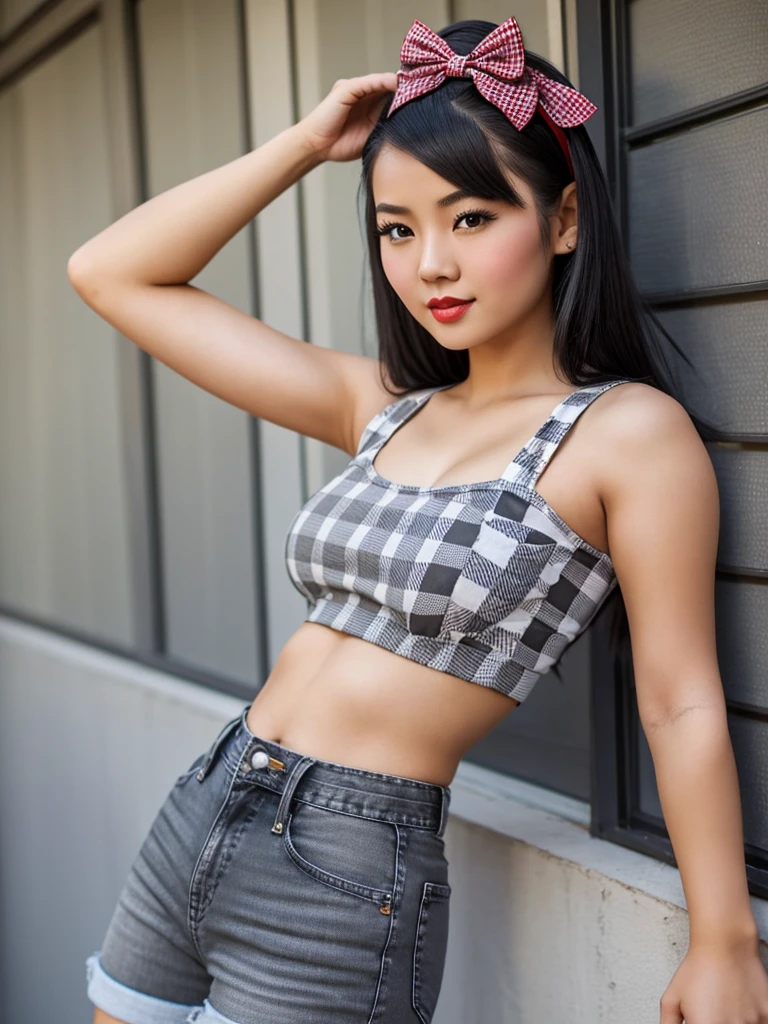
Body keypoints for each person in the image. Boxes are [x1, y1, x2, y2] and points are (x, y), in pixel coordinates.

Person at [69, 14, 768, 1024]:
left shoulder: (625, 435)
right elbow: (112, 273)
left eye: (472, 217)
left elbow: (679, 699)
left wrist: (724, 938)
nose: (431, 262)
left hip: (349, 861)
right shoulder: (386, 403)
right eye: (398, 227)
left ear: (565, 219)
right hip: (207, 803)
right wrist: (307, 144)